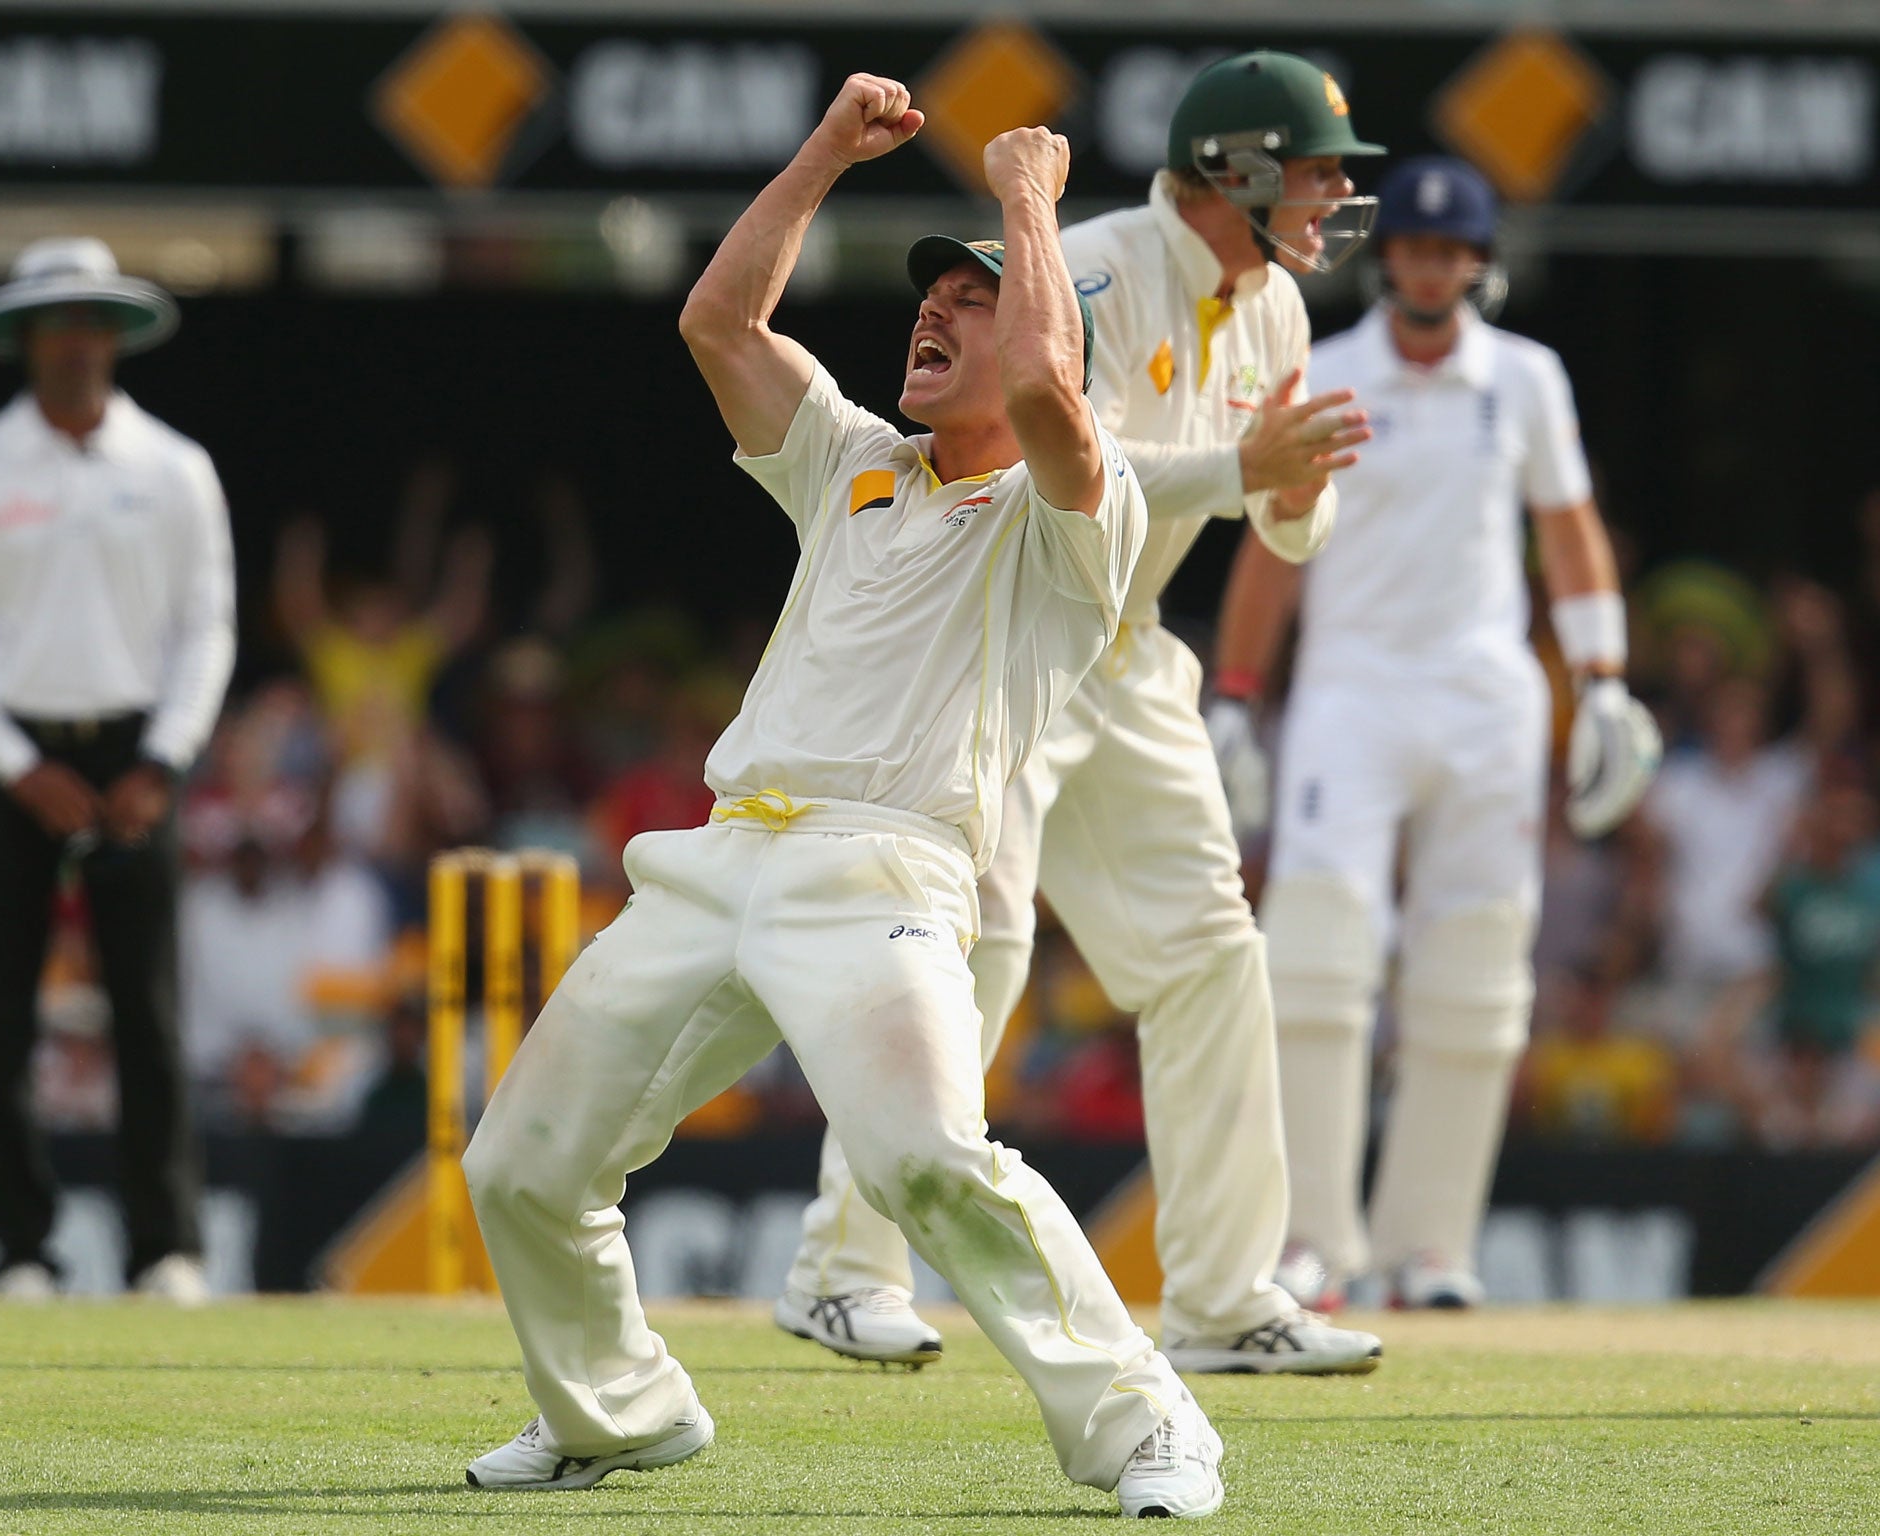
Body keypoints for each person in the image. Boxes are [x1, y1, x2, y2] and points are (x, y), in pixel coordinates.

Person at [459, 74, 1223, 1518]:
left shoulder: (1082, 509)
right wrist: (826, 151)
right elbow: (718, 326)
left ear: (1050, 335)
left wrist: (1029, 201)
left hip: (881, 874)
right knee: (521, 1167)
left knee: (930, 1159)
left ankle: (1147, 1427)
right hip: (718, 859)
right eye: (931, 296)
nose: (937, 309)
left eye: (977, 302)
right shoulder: (856, 461)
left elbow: (1057, 394)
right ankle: (616, 1413)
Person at [777, 49, 1384, 1375]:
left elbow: (1285, 515)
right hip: (1014, 633)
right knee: (970, 941)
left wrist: (1288, 487)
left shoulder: (1273, 310)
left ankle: (1225, 1302)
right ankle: (841, 1270)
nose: (1337, 195)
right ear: (1233, 169)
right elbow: (1072, 467)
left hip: (1130, 654)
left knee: (1212, 953)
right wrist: (1243, 468)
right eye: (1319, 168)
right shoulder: (1098, 268)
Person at [1209, 157, 1662, 1310]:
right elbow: (1271, 540)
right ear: (1387, 258)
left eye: (1448, 250)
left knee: (1473, 968)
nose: (1427, 266)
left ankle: (1427, 1251)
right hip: (1349, 693)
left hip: (1483, 699)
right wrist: (1234, 696)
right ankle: (1311, 1241)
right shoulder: (1322, 367)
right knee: (1313, 956)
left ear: (1476, 263)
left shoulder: (1522, 380)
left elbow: (1566, 532)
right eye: (1410, 247)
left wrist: (1602, 680)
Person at [0, 237, 237, 1301]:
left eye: (92, 321)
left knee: (148, 1009)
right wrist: (11, 763)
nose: (76, 342)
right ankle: (21, 1250)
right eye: (56, 323)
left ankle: (163, 1248)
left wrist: (163, 760)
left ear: (118, 336)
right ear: (25, 340)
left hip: (134, 749)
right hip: (9, 754)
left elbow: (207, 630)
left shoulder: (174, 468)